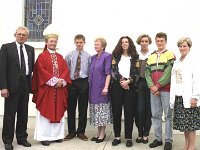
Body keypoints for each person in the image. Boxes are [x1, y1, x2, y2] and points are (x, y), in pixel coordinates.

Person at [31, 25, 71, 146]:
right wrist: (54, 81)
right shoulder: (42, 56)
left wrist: (61, 81)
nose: (53, 43)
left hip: (59, 90)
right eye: (51, 41)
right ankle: (45, 136)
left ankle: (57, 136)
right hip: (46, 90)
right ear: (46, 42)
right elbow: (41, 71)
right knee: (45, 112)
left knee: (58, 111)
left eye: (55, 41)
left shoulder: (60, 57)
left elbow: (65, 70)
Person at [0, 26, 35, 150]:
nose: (21, 36)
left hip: (25, 84)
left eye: (24, 35)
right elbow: (2, 68)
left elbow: (32, 69)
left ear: (27, 37)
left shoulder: (30, 49)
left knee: (23, 113)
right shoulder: (6, 48)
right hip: (11, 86)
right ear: (15, 34)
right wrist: (3, 87)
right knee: (10, 114)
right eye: (19, 34)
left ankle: (21, 138)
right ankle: (8, 140)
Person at [145, 32, 174, 150]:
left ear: (165, 42)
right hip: (153, 90)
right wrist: (152, 86)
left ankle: (168, 140)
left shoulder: (170, 54)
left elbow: (169, 72)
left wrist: (158, 85)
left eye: (162, 41)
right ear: (155, 42)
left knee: (168, 116)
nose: (160, 43)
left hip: (166, 90)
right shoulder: (151, 56)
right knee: (155, 115)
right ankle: (158, 139)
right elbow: (147, 72)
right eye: (158, 40)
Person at [170, 37, 200, 150]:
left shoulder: (194, 60)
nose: (182, 48)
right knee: (184, 125)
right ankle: (186, 145)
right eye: (180, 46)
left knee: (191, 125)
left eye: (184, 46)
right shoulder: (177, 61)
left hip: (189, 97)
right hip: (179, 97)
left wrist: (195, 97)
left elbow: (197, 79)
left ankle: (191, 147)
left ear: (189, 47)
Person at [111, 36, 139, 147]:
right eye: (122, 42)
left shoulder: (135, 56)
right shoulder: (115, 56)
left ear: (129, 43)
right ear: (120, 44)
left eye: (126, 42)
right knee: (116, 112)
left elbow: (136, 73)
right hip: (117, 87)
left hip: (130, 87)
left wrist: (128, 82)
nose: (124, 43)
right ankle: (117, 137)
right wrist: (123, 81)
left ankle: (128, 138)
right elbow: (113, 70)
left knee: (129, 113)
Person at [65, 34, 91, 141]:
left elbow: (90, 71)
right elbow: (66, 70)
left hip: (83, 82)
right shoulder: (69, 55)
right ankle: (71, 131)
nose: (79, 44)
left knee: (83, 108)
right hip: (72, 83)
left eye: (81, 42)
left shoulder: (88, 56)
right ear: (74, 42)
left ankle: (81, 131)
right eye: (77, 42)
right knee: (71, 108)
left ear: (84, 43)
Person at [89, 37, 112, 143]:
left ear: (103, 46)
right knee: (96, 112)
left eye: (97, 44)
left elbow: (108, 73)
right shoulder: (93, 57)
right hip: (93, 89)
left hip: (102, 88)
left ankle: (102, 134)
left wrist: (106, 87)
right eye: (95, 44)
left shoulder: (107, 56)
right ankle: (98, 133)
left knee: (102, 111)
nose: (95, 46)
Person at [135, 34, 152, 144]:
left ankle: (146, 133)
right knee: (139, 110)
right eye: (142, 41)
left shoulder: (153, 55)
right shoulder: (135, 55)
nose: (144, 43)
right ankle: (140, 132)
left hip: (150, 83)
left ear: (149, 42)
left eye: (146, 41)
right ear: (139, 42)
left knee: (148, 110)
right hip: (138, 83)